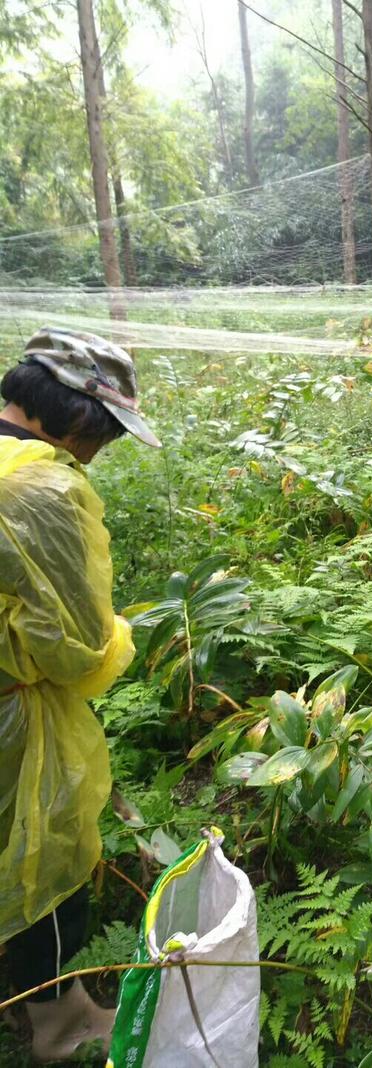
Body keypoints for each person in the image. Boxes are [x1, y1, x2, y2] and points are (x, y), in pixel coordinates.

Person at [0, 327, 160, 1061]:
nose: (100, 452)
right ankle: (57, 1023)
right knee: (41, 852)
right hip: (12, 714)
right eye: (107, 435)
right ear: (79, 419)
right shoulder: (40, 488)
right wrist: (122, 634)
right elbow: (74, 653)